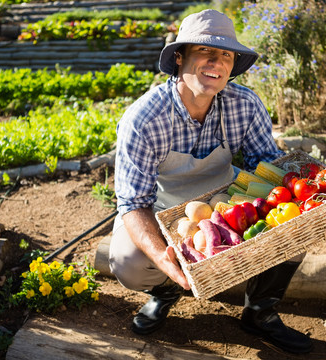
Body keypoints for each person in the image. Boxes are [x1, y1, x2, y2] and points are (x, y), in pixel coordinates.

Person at [108, 9, 312, 354]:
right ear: (179, 57)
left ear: (232, 66)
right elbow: (133, 203)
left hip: (225, 202)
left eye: (226, 55)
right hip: (163, 209)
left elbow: (266, 167)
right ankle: (166, 290)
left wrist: (311, 196)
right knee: (127, 262)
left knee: (296, 224)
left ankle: (260, 312)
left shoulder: (244, 105)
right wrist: (165, 261)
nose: (216, 62)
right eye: (205, 51)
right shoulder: (144, 119)